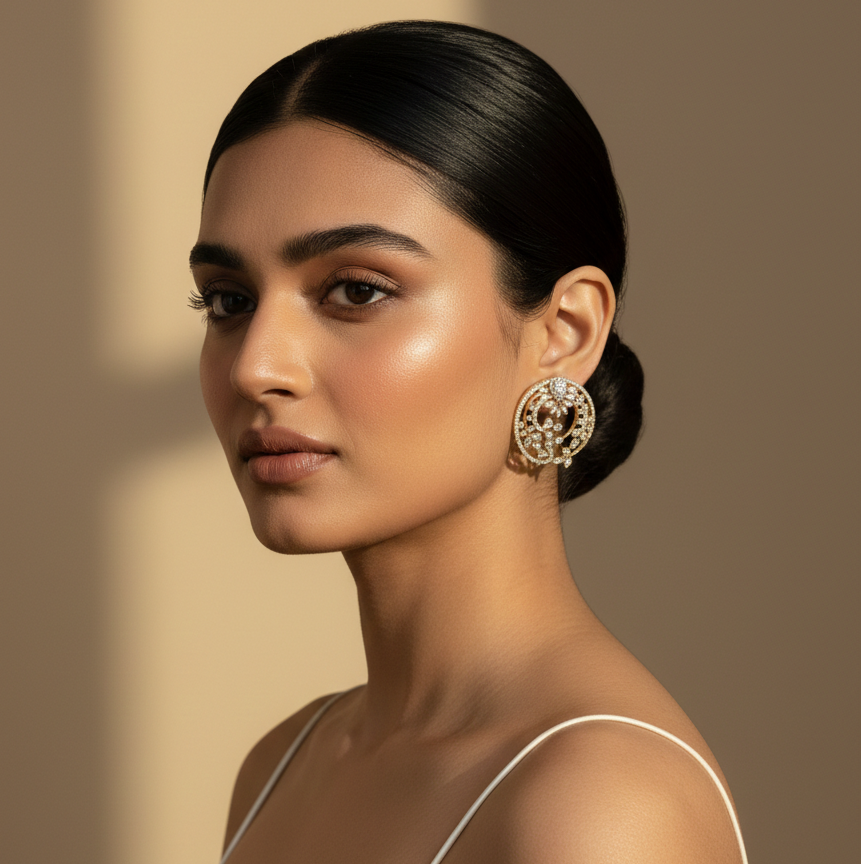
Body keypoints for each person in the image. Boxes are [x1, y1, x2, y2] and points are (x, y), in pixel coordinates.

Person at [188, 20, 748, 863]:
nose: (256, 367)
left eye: (356, 290)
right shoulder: (283, 763)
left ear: (563, 332)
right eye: (229, 300)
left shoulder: (599, 806)